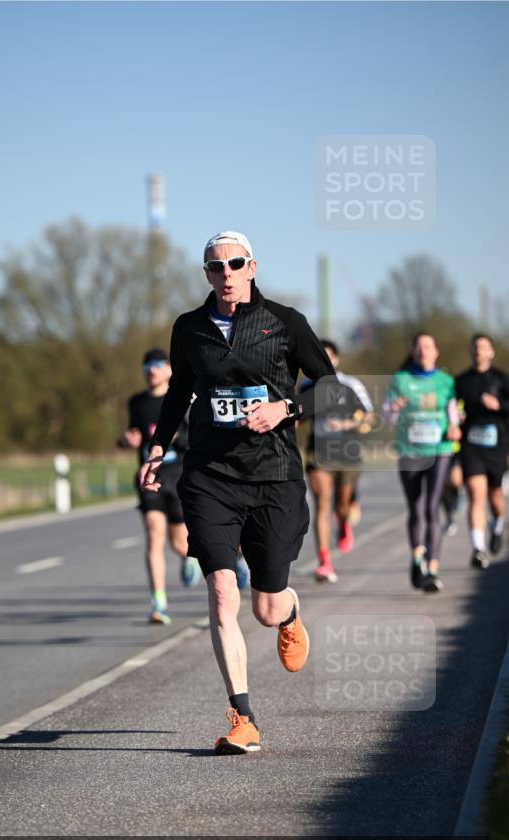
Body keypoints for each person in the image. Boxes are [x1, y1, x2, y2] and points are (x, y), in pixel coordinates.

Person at [139, 230, 337, 754]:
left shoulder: (285, 323)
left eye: (234, 263)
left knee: (265, 609)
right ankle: (243, 717)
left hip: (273, 475)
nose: (224, 272)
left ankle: (289, 613)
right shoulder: (190, 328)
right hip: (210, 477)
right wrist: (157, 450)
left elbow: (332, 387)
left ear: (252, 267)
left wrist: (285, 409)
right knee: (223, 591)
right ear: (206, 274)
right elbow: (179, 392)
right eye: (214, 265)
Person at [119, 348, 201, 625]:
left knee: (181, 542)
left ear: (169, 369)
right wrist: (126, 441)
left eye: (157, 364)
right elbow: (134, 435)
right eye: (147, 365)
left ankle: (192, 557)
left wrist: (177, 439)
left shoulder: (182, 398)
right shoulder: (137, 403)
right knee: (154, 537)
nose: (151, 370)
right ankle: (159, 602)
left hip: (177, 477)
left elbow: (196, 437)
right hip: (149, 477)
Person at [386, 331, 461, 593]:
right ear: (414, 351)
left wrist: (454, 426)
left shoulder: (446, 381)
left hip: (440, 448)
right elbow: (386, 418)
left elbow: (453, 411)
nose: (423, 351)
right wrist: (394, 409)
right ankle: (417, 557)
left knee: (432, 506)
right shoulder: (401, 380)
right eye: (418, 346)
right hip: (410, 450)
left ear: (436, 351)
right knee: (416, 507)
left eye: (428, 346)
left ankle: (433, 568)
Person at [302, 339, 374, 583]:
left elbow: (369, 417)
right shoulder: (307, 385)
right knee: (322, 503)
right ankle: (324, 562)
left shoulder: (350, 384)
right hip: (318, 455)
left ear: (336, 359)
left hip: (347, 454)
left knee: (341, 506)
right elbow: (297, 416)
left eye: (329, 356)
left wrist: (345, 424)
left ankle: (343, 521)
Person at [455, 333, 509, 568]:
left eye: (484, 347)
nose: (479, 351)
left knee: (495, 495)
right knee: (476, 494)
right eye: (475, 347)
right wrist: (457, 416)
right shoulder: (462, 381)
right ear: (471, 351)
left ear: (491, 352)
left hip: (497, 444)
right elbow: (452, 408)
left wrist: (500, 406)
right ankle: (478, 548)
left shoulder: (501, 379)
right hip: (471, 445)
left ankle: (498, 523)